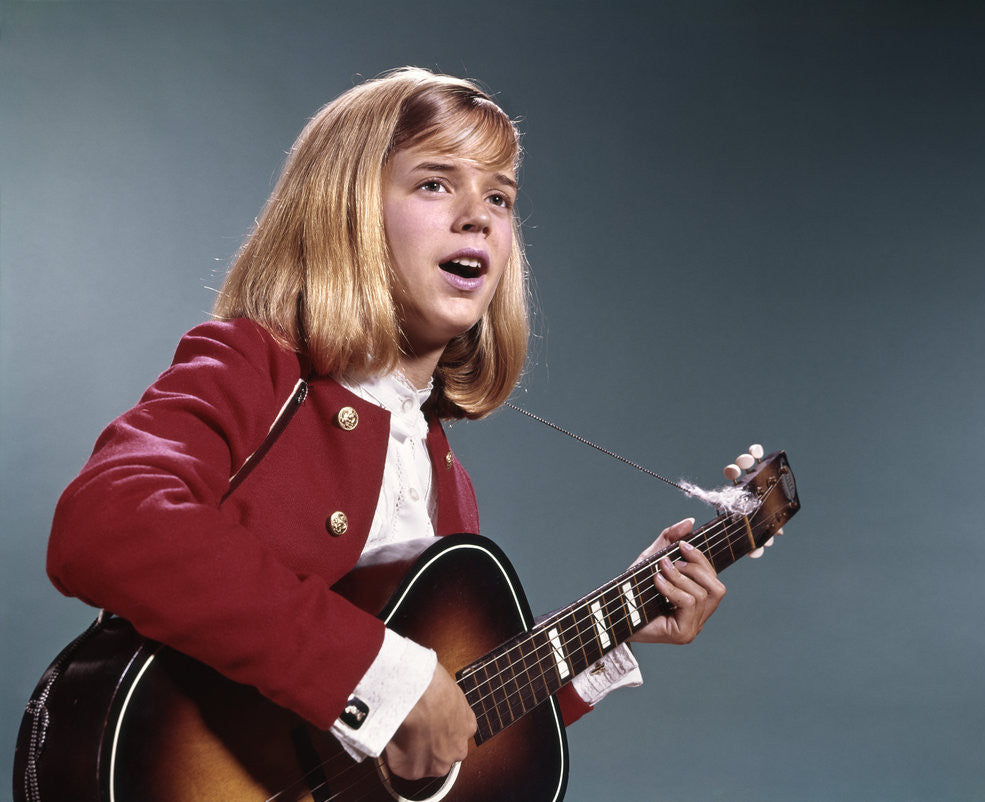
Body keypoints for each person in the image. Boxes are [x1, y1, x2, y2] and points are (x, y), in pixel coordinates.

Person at [46, 67, 726, 784]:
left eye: (499, 195)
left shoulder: (442, 472)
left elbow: (435, 728)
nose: (479, 215)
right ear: (346, 210)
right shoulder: (256, 368)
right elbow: (104, 522)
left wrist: (616, 627)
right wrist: (375, 674)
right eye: (436, 183)